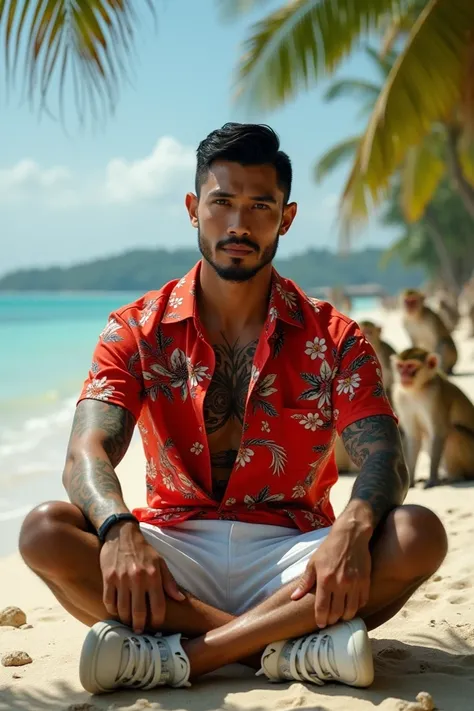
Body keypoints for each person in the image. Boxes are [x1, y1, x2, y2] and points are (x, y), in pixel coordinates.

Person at [19, 123, 447, 695]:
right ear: (194, 209)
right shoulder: (135, 328)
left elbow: (384, 457)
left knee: (418, 532)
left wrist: (351, 526)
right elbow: (86, 451)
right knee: (44, 531)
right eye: (222, 203)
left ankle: (186, 657)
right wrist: (119, 529)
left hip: (293, 553)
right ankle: (288, 650)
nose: (239, 224)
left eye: (259, 206)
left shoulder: (336, 335)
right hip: (177, 547)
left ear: (285, 218)